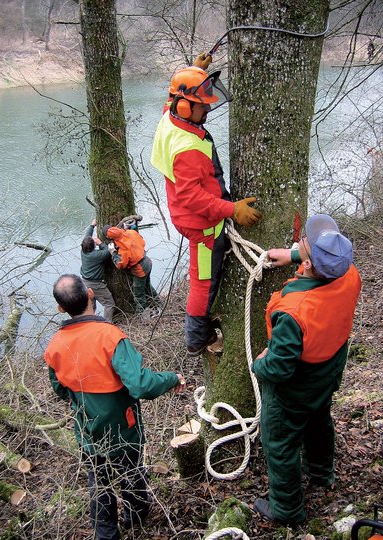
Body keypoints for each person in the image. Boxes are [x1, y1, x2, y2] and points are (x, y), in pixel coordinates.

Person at [44, 274, 185, 540]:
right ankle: (136, 514)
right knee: (130, 471)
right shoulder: (110, 336)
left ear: (60, 308)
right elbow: (141, 385)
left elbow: (60, 389)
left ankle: (107, 533)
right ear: (90, 294)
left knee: (98, 481)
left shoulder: (54, 345)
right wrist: (171, 378)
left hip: (87, 429)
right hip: (123, 427)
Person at [252, 214, 362, 526]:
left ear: (311, 265)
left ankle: (286, 510)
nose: (301, 243)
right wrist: (293, 256)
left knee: (280, 442)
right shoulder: (348, 273)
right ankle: (322, 473)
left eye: (304, 246)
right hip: (328, 371)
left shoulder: (294, 312)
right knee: (318, 420)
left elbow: (279, 367)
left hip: (295, 385)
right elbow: (329, 260)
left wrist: (259, 363)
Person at [151, 65, 262, 356]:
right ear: (185, 107)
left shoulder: (169, 117)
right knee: (202, 282)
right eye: (203, 107)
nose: (207, 113)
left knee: (207, 272)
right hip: (201, 225)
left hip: (190, 213)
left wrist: (196, 71)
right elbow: (192, 197)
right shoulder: (187, 149)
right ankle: (197, 338)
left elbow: (172, 95)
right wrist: (231, 209)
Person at [103, 224, 160, 314]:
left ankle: (141, 315)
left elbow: (120, 265)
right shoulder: (131, 232)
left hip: (140, 269)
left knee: (138, 294)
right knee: (148, 287)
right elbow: (141, 239)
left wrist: (113, 253)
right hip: (147, 262)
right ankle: (160, 304)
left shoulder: (124, 250)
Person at [80, 218, 116, 322]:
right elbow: (108, 251)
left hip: (85, 283)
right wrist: (100, 243)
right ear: (93, 246)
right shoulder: (97, 255)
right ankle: (106, 325)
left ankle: (90, 325)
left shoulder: (83, 252)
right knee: (109, 304)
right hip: (96, 285)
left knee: (91, 308)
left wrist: (92, 226)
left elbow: (86, 237)